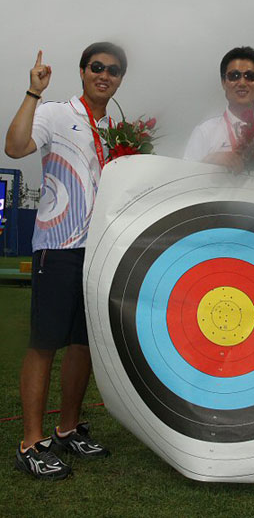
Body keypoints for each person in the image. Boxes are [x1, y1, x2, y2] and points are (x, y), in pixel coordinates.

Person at [5, 42, 127, 480]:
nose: (104, 75)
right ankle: (30, 443)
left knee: (83, 343)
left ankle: (67, 427)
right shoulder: (56, 112)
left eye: (113, 70)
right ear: (82, 70)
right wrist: (33, 92)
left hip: (100, 252)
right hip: (57, 248)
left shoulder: (118, 127)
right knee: (44, 345)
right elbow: (15, 148)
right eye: (97, 67)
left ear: (119, 79)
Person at [184, 46, 254, 174]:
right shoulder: (205, 133)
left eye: (250, 76)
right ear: (223, 82)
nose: (242, 82)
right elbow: (185, 181)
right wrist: (209, 161)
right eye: (234, 76)